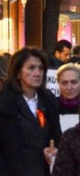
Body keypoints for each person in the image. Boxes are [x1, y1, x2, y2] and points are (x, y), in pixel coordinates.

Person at [0, 47, 62, 176]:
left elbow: (56, 135)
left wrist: (52, 150)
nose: (37, 73)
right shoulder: (5, 103)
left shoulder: (49, 101)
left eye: (41, 68)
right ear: (18, 73)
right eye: (31, 68)